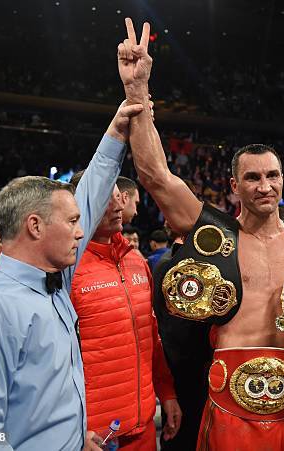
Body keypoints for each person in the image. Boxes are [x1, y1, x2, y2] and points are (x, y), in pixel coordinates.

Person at [116, 18, 284, 450]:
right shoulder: (214, 231)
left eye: (273, 175)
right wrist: (137, 93)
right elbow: (156, 176)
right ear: (234, 186)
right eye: (254, 177)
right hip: (232, 396)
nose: (265, 186)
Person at [0, 101, 145, 451]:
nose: (81, 233)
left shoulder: (53, 282)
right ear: (34, 226)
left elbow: (93, 195)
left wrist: (118, 130)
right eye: (71, 222)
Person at [70, 173, 181, 451]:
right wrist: (72, 428)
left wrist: (166, 392)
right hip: (93, 433)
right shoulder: (67, 268)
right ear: (80, 203)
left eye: (120, 196)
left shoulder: (136, 261)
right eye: (107, 197)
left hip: (142, 427)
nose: (118, 205)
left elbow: (151, 335)